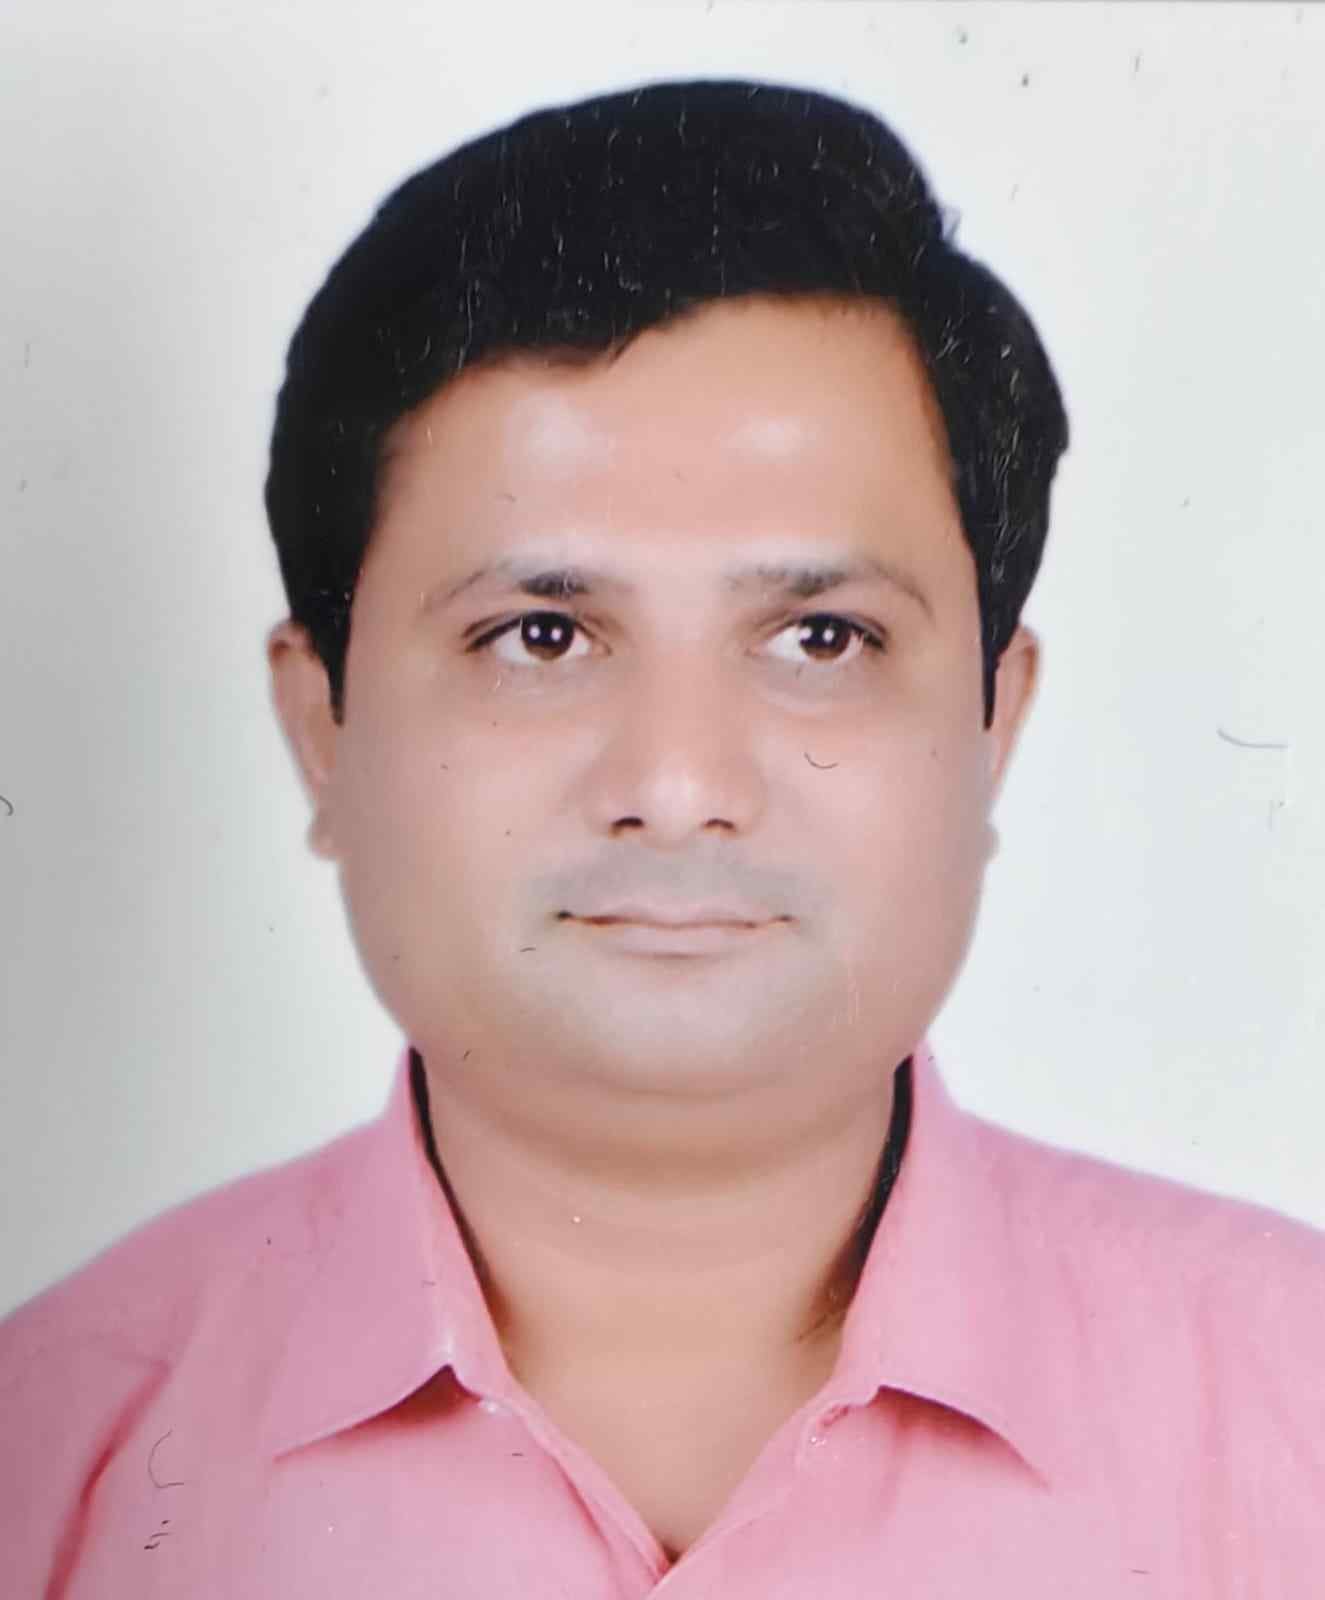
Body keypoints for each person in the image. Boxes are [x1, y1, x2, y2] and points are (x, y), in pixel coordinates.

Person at [2, 77, 1322, 1598]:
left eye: (822, 637)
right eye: (542, 635)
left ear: (991, 722)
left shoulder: (1292, 1404)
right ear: (324, 729)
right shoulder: (53, 1458)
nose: (681, 784)